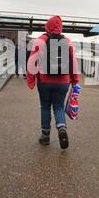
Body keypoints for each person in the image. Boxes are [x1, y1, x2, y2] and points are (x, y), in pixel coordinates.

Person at [27, 16, 79, 150]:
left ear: (48, 26)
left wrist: (31, 80)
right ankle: (61, 127)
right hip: (63, 82)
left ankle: (45, 136)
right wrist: (75, 80)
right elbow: (73, 63)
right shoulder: (67, 41)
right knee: (59, 107)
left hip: (44, 81)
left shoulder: (40, 40)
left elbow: (32, 62)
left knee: (45, 106)